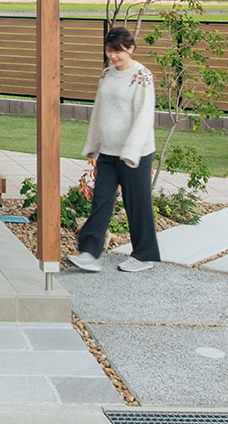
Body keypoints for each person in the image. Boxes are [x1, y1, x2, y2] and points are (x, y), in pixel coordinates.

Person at [65, 25, 161, 273]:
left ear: (130, 48)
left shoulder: (142, 76)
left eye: (118, 51)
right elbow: (99, 112)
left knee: (137, 203)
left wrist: (131, 151)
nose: (113, 55)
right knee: (101, 200)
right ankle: (89, 253)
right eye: (109, 50)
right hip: (108, 152)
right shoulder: (107, 74)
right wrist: (93, 145)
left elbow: (143, 117)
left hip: (135, 154)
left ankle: (144, 255)